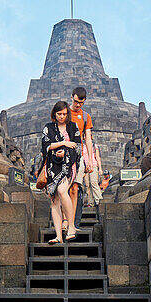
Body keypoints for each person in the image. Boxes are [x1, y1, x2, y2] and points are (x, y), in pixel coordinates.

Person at [40, 100, 80, 243]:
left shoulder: (73, 127)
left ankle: (71, 226)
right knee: (55, 200)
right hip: (52, 166)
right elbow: (45, 146)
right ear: (54, 114)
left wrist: (66, 153)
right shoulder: (48, 127)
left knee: (63, 190)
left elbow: (78, 148)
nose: (62, 116)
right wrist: (63, 143)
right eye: (59, 114)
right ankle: (58, 236)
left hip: (69, 166)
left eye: (64, 114)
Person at [68, 87, 94, 227]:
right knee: (64, 189)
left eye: (81, 103)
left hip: (79, 155)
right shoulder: (63, 113)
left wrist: (89, 159)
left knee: (75, 188)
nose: (78, 105)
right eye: (77, 101)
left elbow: (88, 139)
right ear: (72, 97)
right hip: (64, 155)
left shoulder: (85, 116)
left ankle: (74, 223)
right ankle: (65, 220)